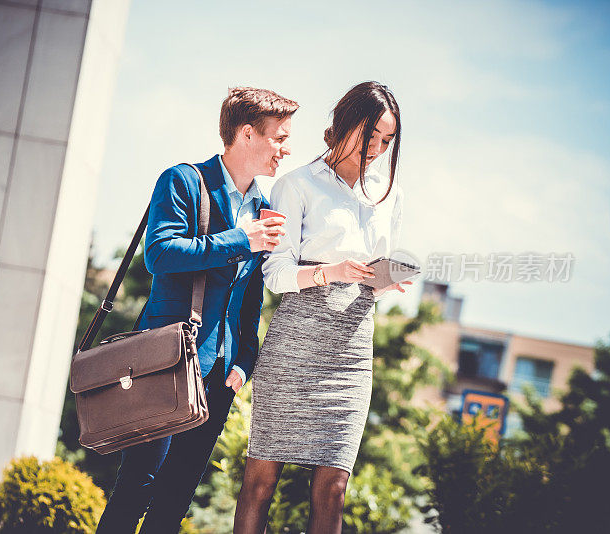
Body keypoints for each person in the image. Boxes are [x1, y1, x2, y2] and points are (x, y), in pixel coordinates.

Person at [95, 87, 298, 534]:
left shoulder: (266, 209)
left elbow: (251, 297)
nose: (286, 149)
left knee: (174, 502)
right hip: (166, 364)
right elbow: (161, 254)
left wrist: (246, 360)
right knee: (136, 488)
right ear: (247, 133)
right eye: (279, 138)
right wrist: (241, 240)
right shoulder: (184, 181)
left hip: (220, 377)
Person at [233, 81, 412, 534]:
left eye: (387, 140)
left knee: (334, 488)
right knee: (261, 479)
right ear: (347, 123)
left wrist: (382, 279)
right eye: (371, 134)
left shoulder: (388, 193)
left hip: (352, 351)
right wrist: (333, 272)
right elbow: (274, 275)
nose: (376, 148)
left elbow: (371, 264)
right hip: (296, 344)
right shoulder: (297, 185)